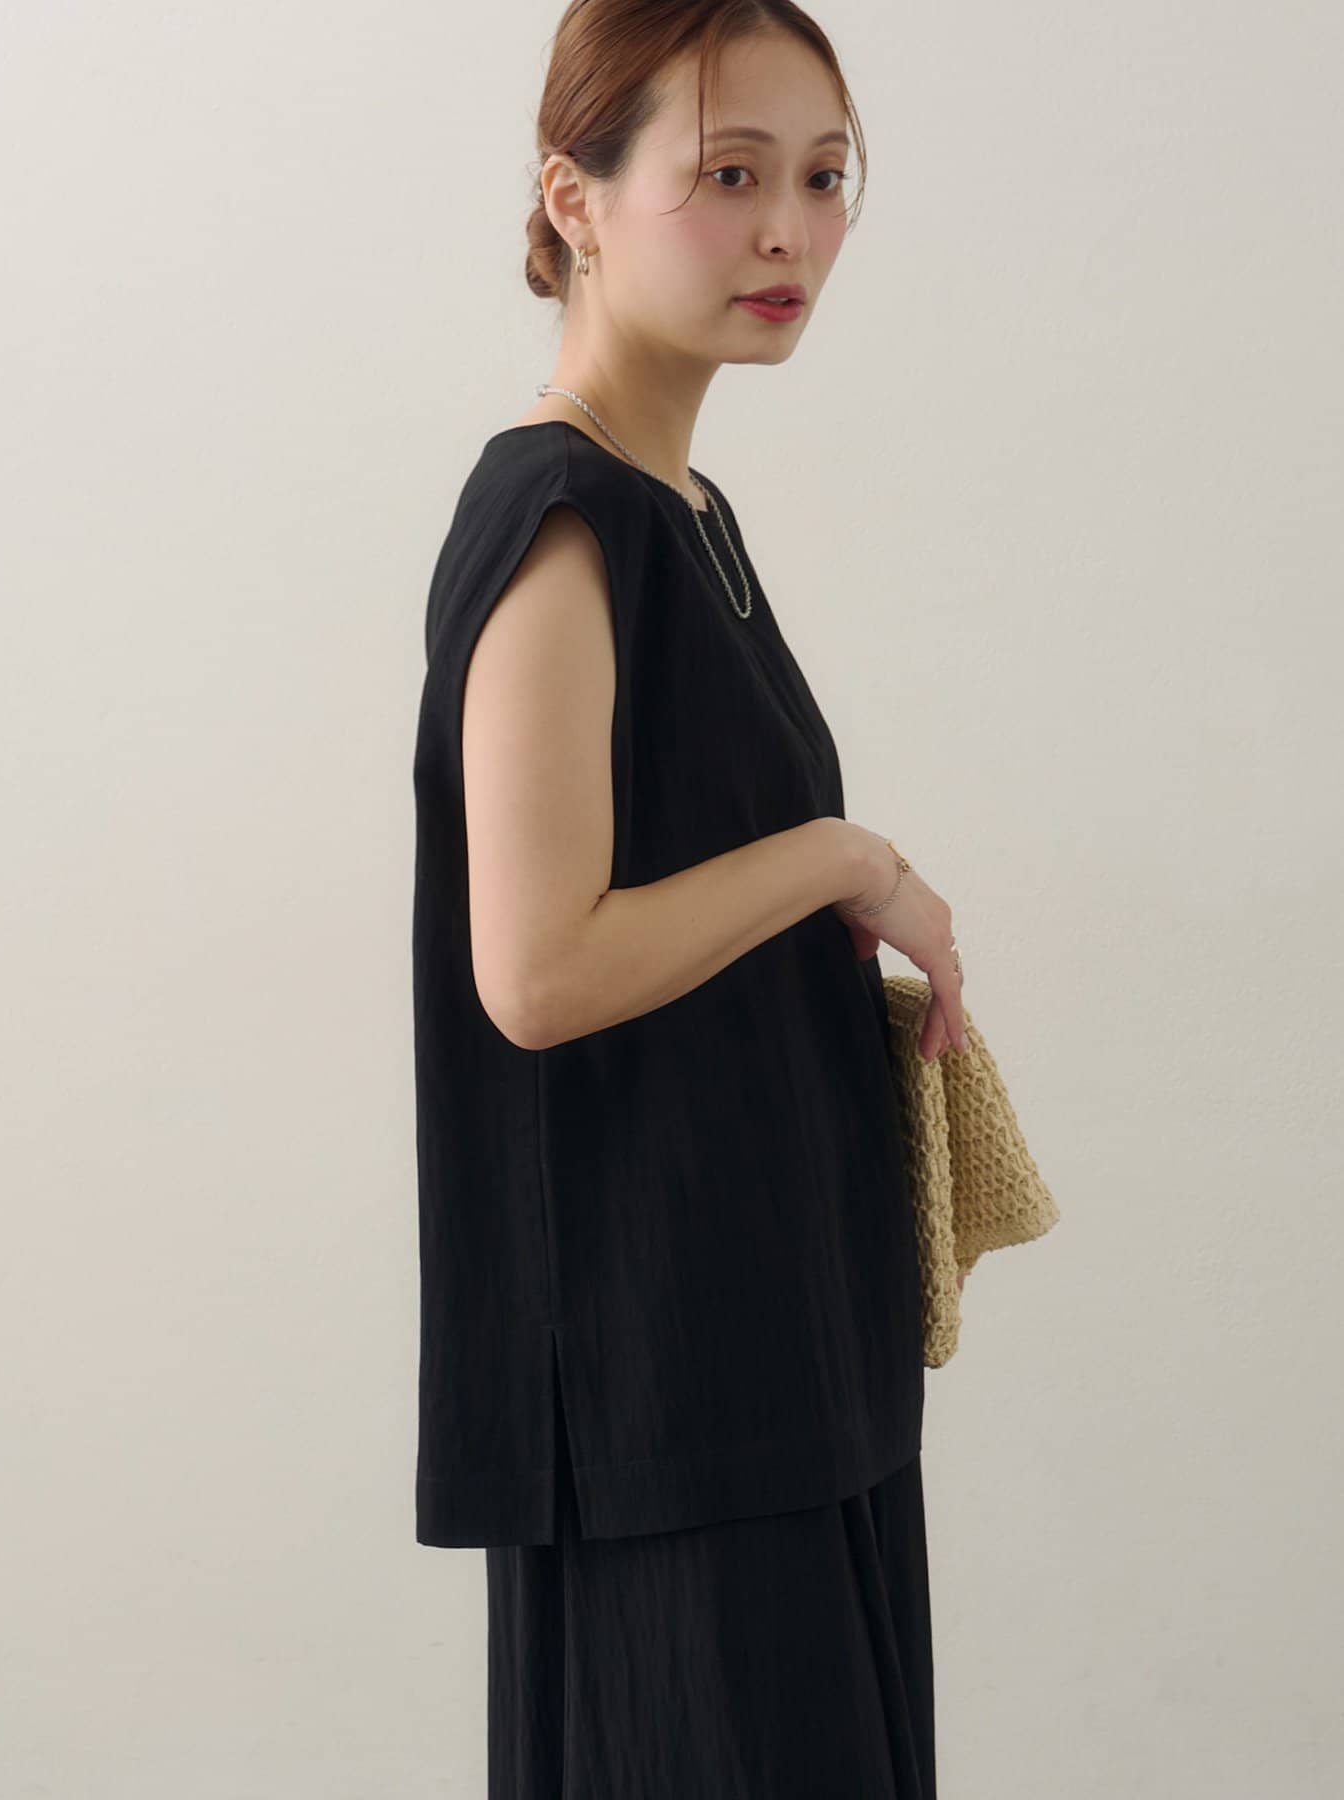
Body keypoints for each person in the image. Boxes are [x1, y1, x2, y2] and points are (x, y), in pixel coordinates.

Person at [411, 3, 969, 1792]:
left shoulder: (679, 509)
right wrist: (846, 860)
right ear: (573, 199)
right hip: (668, 1401)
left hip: (781, 1354)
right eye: (728, 176)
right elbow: (537, 970)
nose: (789, 230)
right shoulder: (562, 522)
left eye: (823, 178)